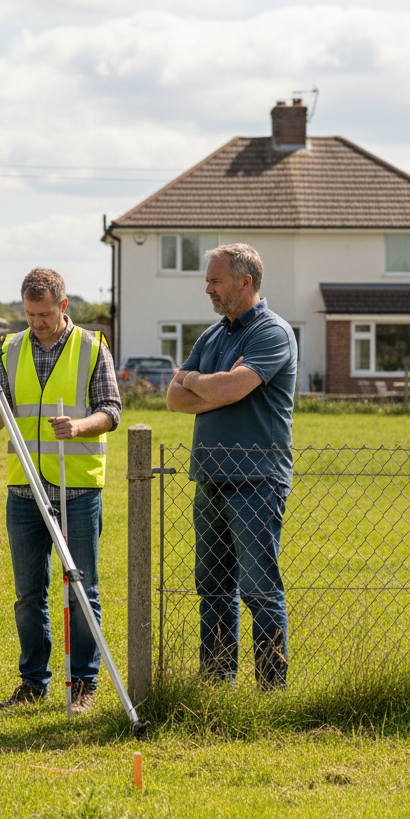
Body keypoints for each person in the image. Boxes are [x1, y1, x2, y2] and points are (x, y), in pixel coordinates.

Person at [0, 268, 120, 713]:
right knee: (27, 594)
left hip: (77, 488)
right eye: (29, 313)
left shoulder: (93, 348)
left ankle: (84, 685)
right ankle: (33, 683)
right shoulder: (9, 349)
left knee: (81, 589)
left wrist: (77, 427)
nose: (35, 322)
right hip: (24, 489)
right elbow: (0, 423)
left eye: (43, 314)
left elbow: (111, 411)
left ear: (63, 306)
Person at [166, 243, 296, 689]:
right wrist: (210, 385)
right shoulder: (214, 335)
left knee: (259, 589)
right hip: (211, 478)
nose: (207, 289)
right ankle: (218, 683)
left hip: (258, 481)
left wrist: (197, 381)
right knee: (213, 587)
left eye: (215, 280)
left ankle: (270, 690)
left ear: (245, 282)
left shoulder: (273, 332)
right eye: (207, 280)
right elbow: (172, 398)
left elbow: (227, 391)